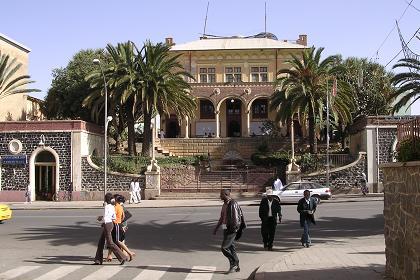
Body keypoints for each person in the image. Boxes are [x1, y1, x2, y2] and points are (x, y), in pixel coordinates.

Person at [213, 189, 243, 274]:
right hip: (225, 228)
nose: (220, 196)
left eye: (221, 194)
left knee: (224, 248)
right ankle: (237, 266)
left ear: (226, 194)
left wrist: (233, 230)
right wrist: (216, 228)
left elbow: (236, 218)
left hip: (231, 229)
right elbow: (222, 218)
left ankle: (233, 264)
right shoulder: (224, 204)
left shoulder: (232, 203)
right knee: (231, 248)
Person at [93, 193, 128, 265]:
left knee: (110, 243)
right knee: (101, 242)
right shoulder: (112, 206)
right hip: (111, 224)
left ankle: (123, 257)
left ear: (106, 199)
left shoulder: (107, 206)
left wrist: (102, 220)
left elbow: (105, 217)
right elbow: (114, 217)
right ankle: (98, 260)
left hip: (107, 225)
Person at [106, 194, 135, 262]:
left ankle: (129, 252)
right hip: (119, 225)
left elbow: (112, 216)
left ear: (115, 200)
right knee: (115, 241)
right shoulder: (121, 207)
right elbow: (123, 217)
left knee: (116, 241)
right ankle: (111, 255)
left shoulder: (115, 207)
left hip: (115, 225)